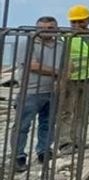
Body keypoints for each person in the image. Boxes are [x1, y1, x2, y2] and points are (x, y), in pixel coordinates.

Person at [12, 16, 64, 172]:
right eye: (42, 28)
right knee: (22, 125)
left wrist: (61, 79)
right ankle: (18, 156)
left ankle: (43, 151)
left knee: (47, 124)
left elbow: (66, 64)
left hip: (52, 91)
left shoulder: (61, 45)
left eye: (50, 28)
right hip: (30, 91)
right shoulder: (28, 42)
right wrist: (57, 72)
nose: (45, 31)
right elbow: (32, 65)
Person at [59, 4, 89, 153]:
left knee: (83, 112)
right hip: (71, 80)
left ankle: (78, 140)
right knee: (66, 112)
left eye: (80, 21)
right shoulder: (66, 37)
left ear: (88, 21)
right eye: (73, 22)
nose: (77, 25)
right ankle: (65, 143)